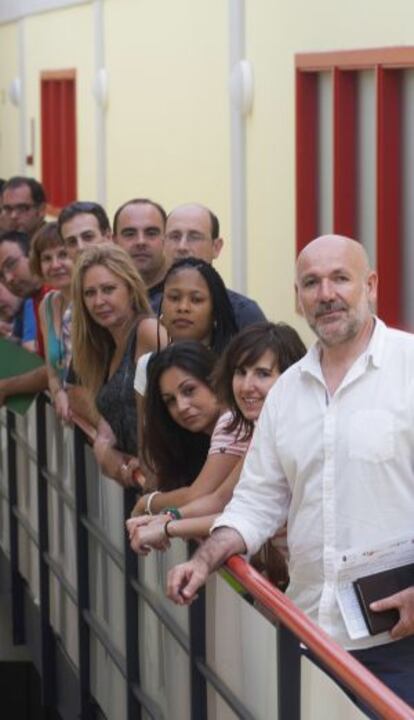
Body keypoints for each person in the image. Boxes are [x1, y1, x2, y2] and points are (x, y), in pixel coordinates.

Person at [167, 235, 414, 710]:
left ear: (371, 286)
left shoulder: (407, 367)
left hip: (401, 643)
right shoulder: (286, 394)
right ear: (297, 298)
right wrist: (202, 560)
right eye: (311, 283)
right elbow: (257, 501)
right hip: (310, 635)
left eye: (340, 279)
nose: (326, 294)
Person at [127, 323, 306, 584]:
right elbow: (222, 498)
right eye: (240, 372)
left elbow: (231, 508)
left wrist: (159, 516)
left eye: (263, 374)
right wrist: (166, 519)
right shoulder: (265, 428)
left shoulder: (292, 431)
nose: (247, 386)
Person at [71, 243, 168, 486]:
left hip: (170, 479)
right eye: (89, 293)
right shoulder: (105, 347)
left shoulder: (148, 330)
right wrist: (104, 449)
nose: (99, 301)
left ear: (130, 288)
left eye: (108, 289)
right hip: (142, 481)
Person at [132, 341, 250, 517]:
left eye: (189, 390)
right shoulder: (219, 427)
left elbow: (196, 496)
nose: (181, 406)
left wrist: (146, 503)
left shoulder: (231, 422)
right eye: (170, 400)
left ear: (214, 381)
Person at [165, 203, 266, 327]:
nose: (182, 247)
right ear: (163, 244)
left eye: (194, 237)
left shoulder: (243, 314)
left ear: (216, 247)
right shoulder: (148, 311)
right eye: (174, 237)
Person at [0, 230, 50, 405]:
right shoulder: (34, 298)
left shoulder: (52, 294)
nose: (8, 279)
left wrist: (5, 387)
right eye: (1, 275)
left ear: (33, 255)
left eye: (11, 264)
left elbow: (56, 370)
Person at [30, 223, 74, 422]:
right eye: (47, 258)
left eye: (63, 255)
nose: (55, 265)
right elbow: (53, 371)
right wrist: (58, 394)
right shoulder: (46, 305)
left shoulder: (93, 303)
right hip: (66, 415)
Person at [113, 198, 168, 312]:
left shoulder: (184, 296)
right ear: (115, 241)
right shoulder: (102, 295)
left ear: (166, 237)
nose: (140, 242)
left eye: (151, 233)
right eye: (130, 234)